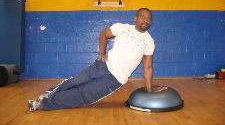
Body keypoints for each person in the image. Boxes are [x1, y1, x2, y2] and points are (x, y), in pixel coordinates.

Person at [28, 8, 167, 112]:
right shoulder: (122, 27)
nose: (145, 20)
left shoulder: (149, 42)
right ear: (136, 18)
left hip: (115, 80)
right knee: (75, 81)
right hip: (102, 65)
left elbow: (148, 68)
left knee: (82, 96)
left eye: (148, 18)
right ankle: (48, 94)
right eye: (142, 17)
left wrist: (150, 91)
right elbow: (104, 34)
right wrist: (102, 53)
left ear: (151, 22)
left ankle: (41, 104)